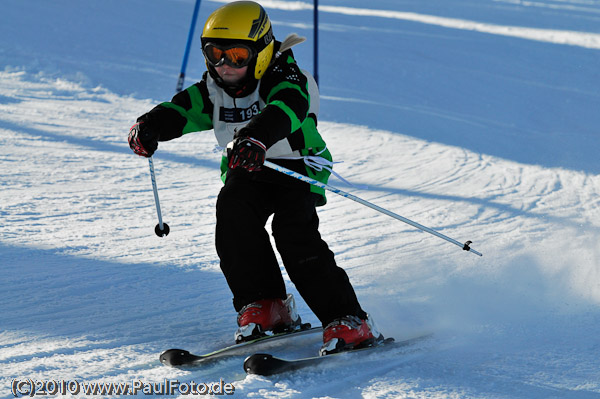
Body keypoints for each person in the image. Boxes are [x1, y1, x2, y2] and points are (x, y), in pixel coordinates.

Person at [128, 0, 382, 355]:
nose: (223, 65)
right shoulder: (214, 88)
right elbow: (182, 111)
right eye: (214, 53)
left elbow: (287, 108)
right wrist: (150, 127)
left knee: (294, 234)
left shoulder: (288, 77)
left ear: (261, 51)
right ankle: (266, 304)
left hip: (296, 165)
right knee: (233, 214)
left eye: (235, 55)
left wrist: (257, 136)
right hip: (249, 166)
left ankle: (348, 318)